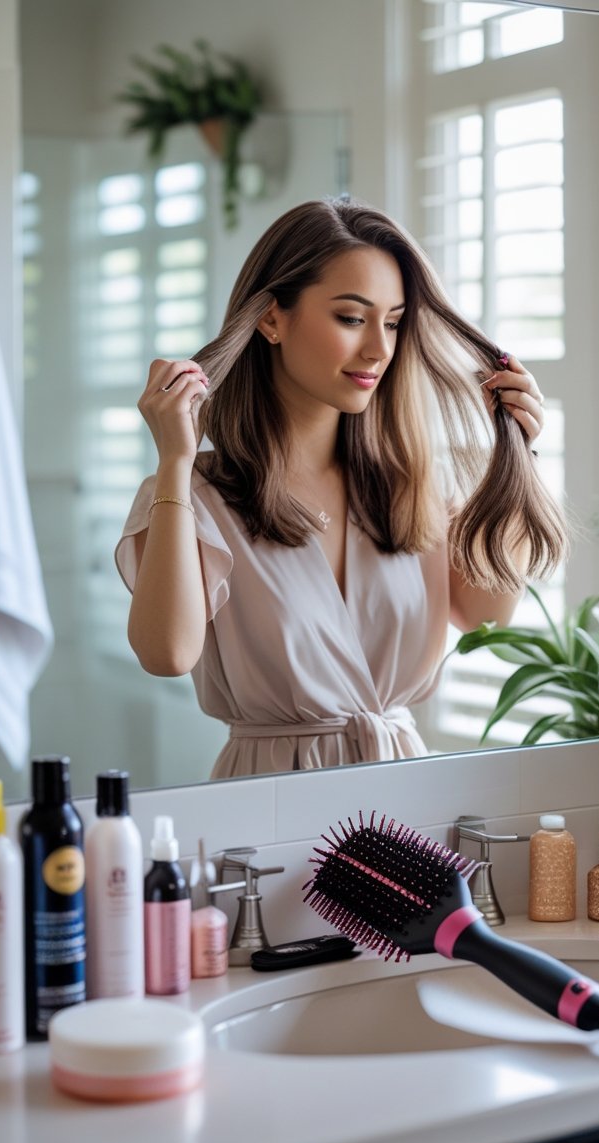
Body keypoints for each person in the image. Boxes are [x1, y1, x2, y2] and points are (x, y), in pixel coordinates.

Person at [115, 196, 567, 778]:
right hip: (270, 811)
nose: (379, 348)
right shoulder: (196, 496)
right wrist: (176, 459)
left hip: (406, 807)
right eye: (352, 318)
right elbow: (167, 654)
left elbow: (485, 614)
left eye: (394, 322)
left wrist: (517, 455)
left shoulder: (414, 484)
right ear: (272, 318)